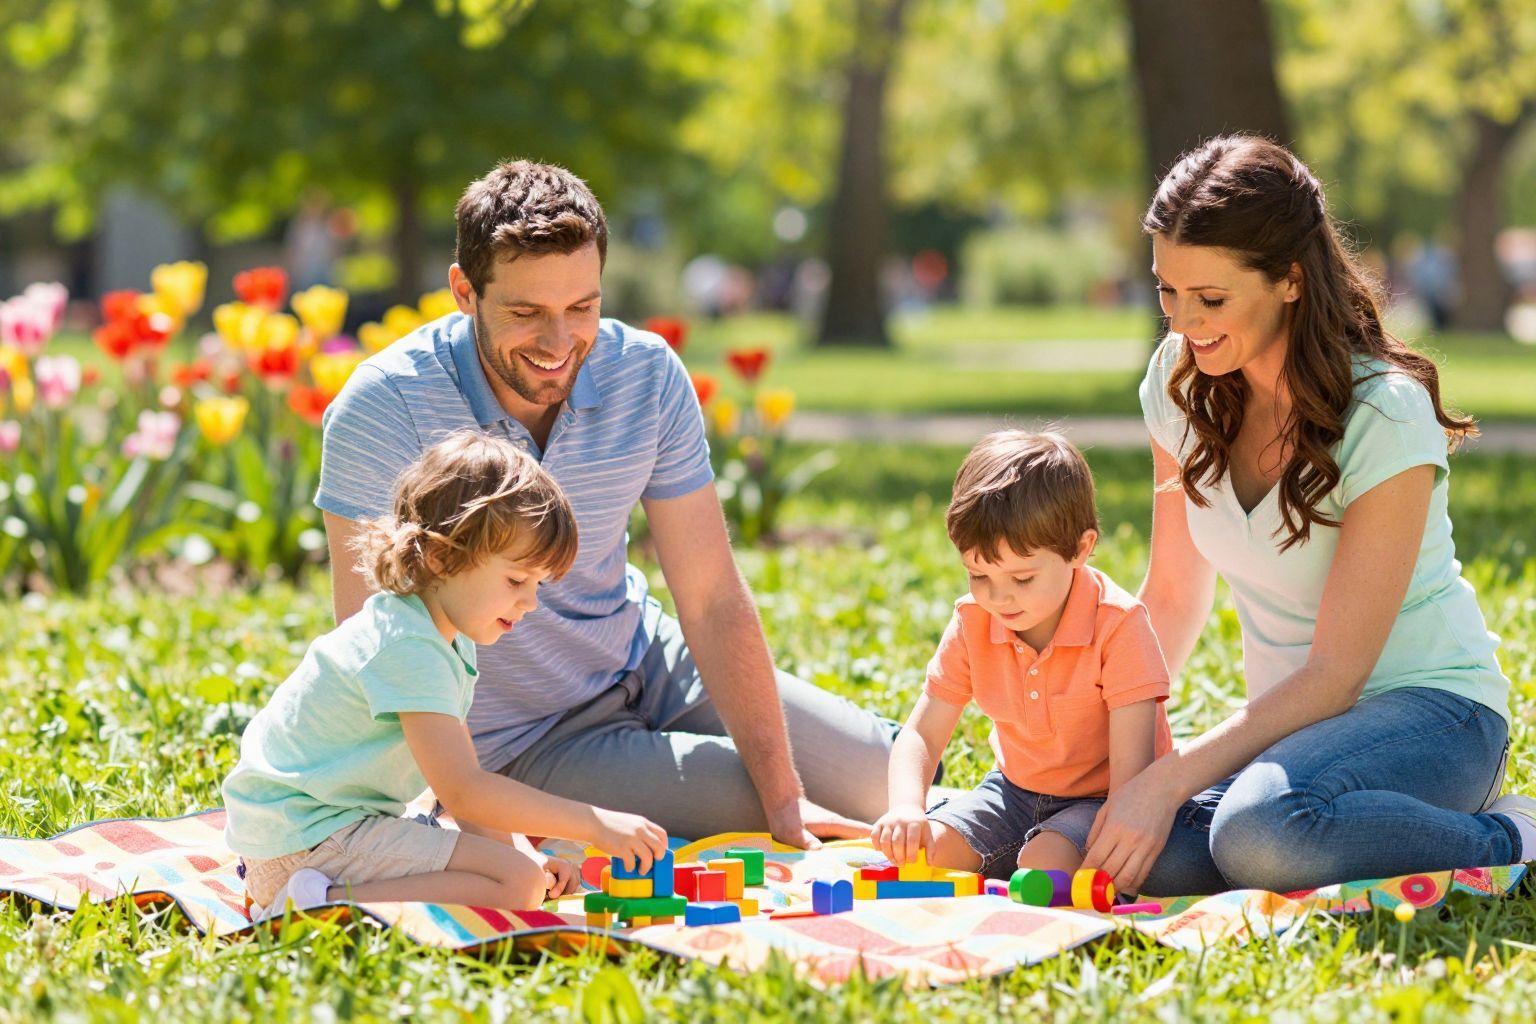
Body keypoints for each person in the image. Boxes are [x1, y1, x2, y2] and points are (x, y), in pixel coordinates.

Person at [317, 160, 896, 846]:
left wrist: (784, 795)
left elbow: (710, 596)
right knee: (803, 814)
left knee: (885, 781)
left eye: (582, 308)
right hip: (522, 743)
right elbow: (371, 643)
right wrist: (468, 817)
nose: (560, 345)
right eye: (527, 313)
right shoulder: (384, 406)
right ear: (463, 293)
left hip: (645, 659)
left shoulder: (645, 374)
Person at [1080, 135, 1531, 897]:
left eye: (1211, 299)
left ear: (1290, 281)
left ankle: (1512, 835)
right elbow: (1172, 597)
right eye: (1167, 292)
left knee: (1259, 833)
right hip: (1293, 739)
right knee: (1127, 854)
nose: (1184, 323)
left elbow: (1336, 677)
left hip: (1433, 714)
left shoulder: (1383, 412)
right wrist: (1114, 763)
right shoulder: (1178, 384)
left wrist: (1170, 781)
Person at [224, 433, 669, 917]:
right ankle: (314, 902)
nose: (530, 602)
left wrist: (521, 852)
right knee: (517, 886)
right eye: (517, 580)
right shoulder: (409, 646)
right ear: (440, 557)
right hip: (299, 841)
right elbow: (465, 792)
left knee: (517, 872)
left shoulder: (442, 638)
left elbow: (463, 785)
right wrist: (594, 824)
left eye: (537, 584)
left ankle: (322, 891)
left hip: (318, 827)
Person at [872, 431, 1173, 877]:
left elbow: (1132, 780)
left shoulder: (1119, 625)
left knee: (1040, 867)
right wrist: (906, 809)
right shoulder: (973, 620)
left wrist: (1106, 838)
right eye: (978, 574)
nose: (999, 598)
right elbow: (922, 733)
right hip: (1012, 792)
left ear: (1081, 548)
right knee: (922, 857)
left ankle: (1034, 864)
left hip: (1103, 801)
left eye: (1023, 578)